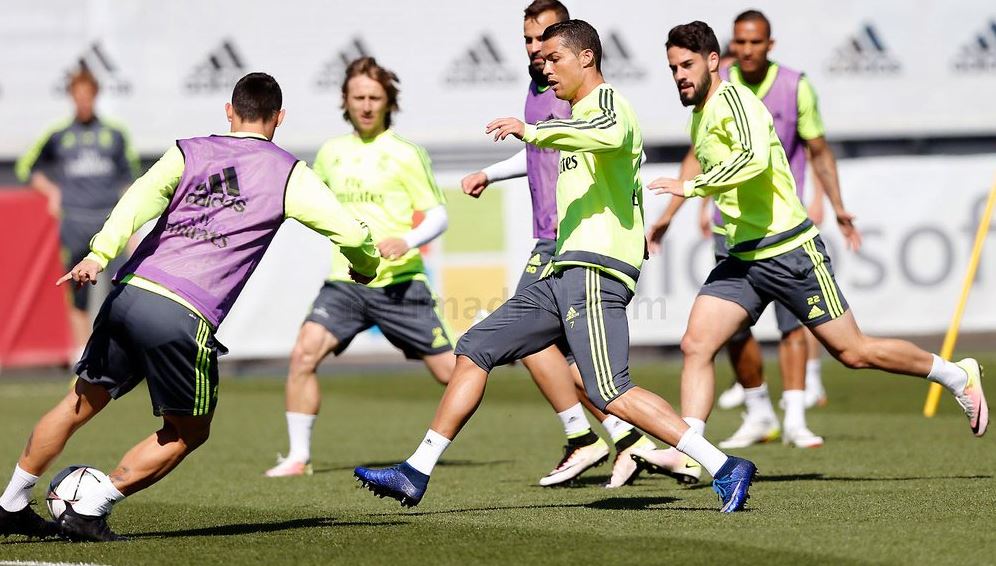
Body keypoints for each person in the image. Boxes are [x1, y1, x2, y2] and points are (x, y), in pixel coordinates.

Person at [355, 20, 756, 513]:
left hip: (595, 271)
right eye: (541, 61)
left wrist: (532, 130)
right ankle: (416, 470)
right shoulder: (573, 117)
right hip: (561, 270)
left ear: (586, 58)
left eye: (554, 59)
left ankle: (723, 465)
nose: (545, 69)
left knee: (611, 391)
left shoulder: (607, 103)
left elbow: (607, 132)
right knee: (476, 347)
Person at [0, 73, 380, 542]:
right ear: (279, 118)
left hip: (130, 292)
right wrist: (366, 265)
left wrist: (100, 252)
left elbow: (136, 199)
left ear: (229, 111)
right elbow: (352, 232)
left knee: (78, 403)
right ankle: (90, 508)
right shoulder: (289, 173)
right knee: (189, 431)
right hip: (182, 313)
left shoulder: (189, 151)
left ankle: (10, 502)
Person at [649, 22, 987, 458]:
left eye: (687, 65)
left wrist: (691, 189)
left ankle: (956, 375)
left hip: (789, 251)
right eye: (673, 68)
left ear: (713, 61)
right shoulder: (700, 114)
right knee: (696, 344)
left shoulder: (736, 100)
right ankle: (688, 450)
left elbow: (752, 160)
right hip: (743, 257)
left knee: (854, 352)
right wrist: (674, 211)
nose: (679, 75)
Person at [460, 0, 699, 488]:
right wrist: (491, 172)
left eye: (547, 41)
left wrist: (626, 217)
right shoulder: (540, 90)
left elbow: (603, 140)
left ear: (573, 47)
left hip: (569, 239)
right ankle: (635, 442)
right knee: (563, 354)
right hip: (558, 235)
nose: (537, 51)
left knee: (538, 344)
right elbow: (540, 152)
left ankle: (593, 437)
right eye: (528, 40)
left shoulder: (581, 92)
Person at [648, 10, 861, 448]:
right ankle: (748, 418)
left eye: (754, 42)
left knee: (808, 332)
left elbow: (809, 152)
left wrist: (834, 204)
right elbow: (702, 156)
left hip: (781, 233)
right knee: (718, 336)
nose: (746, 50)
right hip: (734, 235)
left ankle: (796, 417)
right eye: (740, 42)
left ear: (769, 45)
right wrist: (674, 212)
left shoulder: (785, 88)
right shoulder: (706, 100)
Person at [265, 57, 454, 478]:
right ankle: (298, 457)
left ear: (388, 102)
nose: (366, 106)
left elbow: (439, 215)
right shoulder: (331, 153)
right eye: (358, 98)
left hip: (400, 283)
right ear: (345, 101)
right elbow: (309, 201)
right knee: (303, 355)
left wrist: (406, 241)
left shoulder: (406, 153)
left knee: (452, 373)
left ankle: (436, 445)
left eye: (374, 97)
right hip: (346, 283)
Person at [15, 69, 140, 354]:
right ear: (72, 97)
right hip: (74, 223)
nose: (83, 101)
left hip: (109, 223)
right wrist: (52, 191)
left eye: (88, 96)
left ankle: (115, 352)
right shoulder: (59, 135)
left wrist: (131, 225)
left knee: (120, 289)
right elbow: (26, 168)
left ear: (95, 96)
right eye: (78, 96)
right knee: (77, 292)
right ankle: (82, 355)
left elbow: (131, 181)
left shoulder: (114, 134)